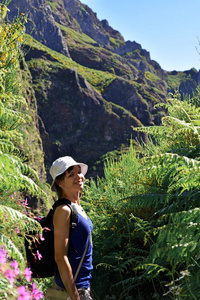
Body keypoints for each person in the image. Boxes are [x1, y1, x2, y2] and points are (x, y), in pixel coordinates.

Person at [45, 156, 93, 300]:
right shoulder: (63, 211)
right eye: (71, 174)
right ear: (59, 182)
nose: (79, 177)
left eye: (79, 172)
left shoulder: (77, 208)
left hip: (83, 288)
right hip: (71, 292)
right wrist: (75, 297)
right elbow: (61, 257)